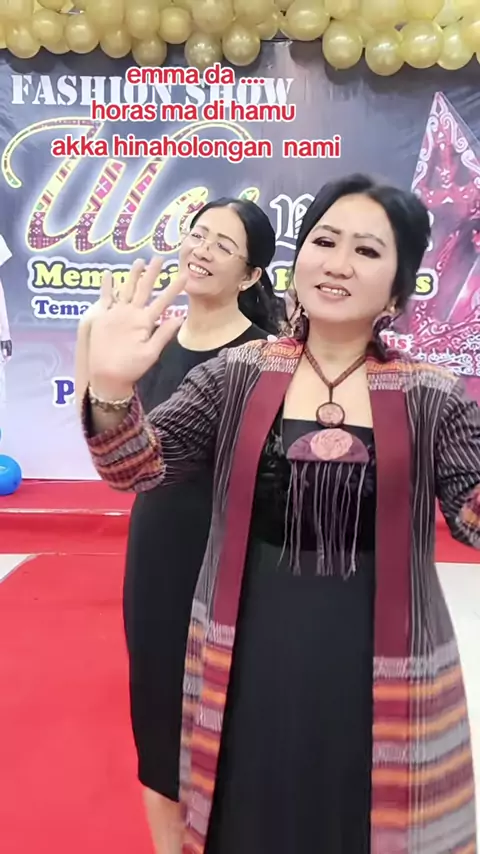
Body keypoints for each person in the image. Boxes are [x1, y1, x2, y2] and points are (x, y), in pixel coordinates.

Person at [80, 174, 478, 854]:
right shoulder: (236, 374)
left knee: (366, 819)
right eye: (325, 241)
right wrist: (112, 387)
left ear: (398, 290)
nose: (339, 263)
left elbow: (471, 513)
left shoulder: (431, 396)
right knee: (249, 814)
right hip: (246, 649)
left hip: (380, 660)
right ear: (299, 262)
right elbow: (137, 469)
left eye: (367, 250)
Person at [75, 197, 282, 853]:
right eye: (198, 234)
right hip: (159, 553)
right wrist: (95, 353)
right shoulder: (146, 340)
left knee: (242, 724)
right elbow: (107, 453)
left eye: (224, 243)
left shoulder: (266, 357)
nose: (203, 249)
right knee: (160, 721)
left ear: (251, 275)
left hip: (239, 560)